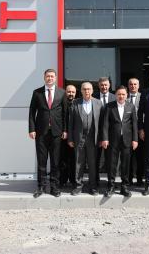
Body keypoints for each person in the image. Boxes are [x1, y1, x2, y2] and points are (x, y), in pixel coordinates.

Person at [28, 68, 67, 198]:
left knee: (55, 162)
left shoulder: (62, 93)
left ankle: (54, 187)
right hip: (41, 132)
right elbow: (32, 112)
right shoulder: (37, 93)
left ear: (55, 78)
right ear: (44, 78)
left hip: (57, 133)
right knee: (42, 161)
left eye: (52, 76)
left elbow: (65, 113)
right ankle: (41, 186)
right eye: (47, 76)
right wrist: (32, 129)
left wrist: (65, 130)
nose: (50, 78)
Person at [100, 85, 138, 197]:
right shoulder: (109, 106)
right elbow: (105, 124)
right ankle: (111, 185)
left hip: (127, 140)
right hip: (112, 140)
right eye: (119, 94)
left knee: (125, 164)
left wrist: (135, 139)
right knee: (112, 163)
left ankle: (124, 186)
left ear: (127, 95)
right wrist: (105, 138)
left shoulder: (131, 106)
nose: (121, 96)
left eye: (123, 94)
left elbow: (134, 124)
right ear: (115, 95)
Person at [68, 82, 104, 196]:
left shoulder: (98, 103)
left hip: (93, 139)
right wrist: (70, 138)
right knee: (79, 163)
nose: (87, 91)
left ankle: (93, 186)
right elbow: (71, 122)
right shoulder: (75, 103)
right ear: (81, 91)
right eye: (84, 89)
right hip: (79, 138)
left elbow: (102, 123)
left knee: (93, 163)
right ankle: (78, 186)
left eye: (88, 89)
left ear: (92, 90)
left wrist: (102, 138)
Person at [59, 84, 77, 188]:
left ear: (75, 93)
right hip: (63, 136)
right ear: (65, 92)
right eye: (69, 92)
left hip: (75, 137)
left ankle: (74, 180)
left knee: (74, 159)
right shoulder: (60, 103)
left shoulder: (78, 104)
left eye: (73, 92)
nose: (71, 94)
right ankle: (63, 180)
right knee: (63, 159)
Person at [127, 77, 144, 186]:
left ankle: (139, 179)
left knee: (140, 157)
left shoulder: (143, 97)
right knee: (128, 157)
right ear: (128, 86)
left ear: (138, 86)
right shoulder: (124, 97)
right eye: (131, 84)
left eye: (135, 84)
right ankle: (128, 179)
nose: (133, 86)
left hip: (140, 131)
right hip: (127, 131)